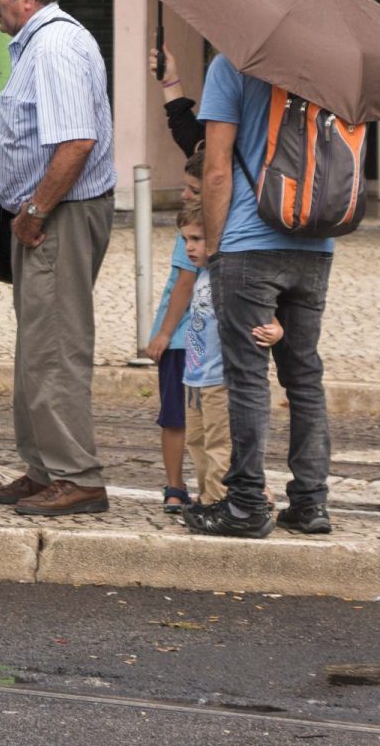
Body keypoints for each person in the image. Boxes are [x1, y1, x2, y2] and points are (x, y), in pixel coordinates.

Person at [0, 0, 116, 518]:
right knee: (38, 345)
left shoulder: (54, 45)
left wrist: (34, 210)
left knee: (55, 346)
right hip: (48, 213)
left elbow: (76, 141)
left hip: (60, 215)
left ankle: (78, 477)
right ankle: (44, 469)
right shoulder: (44, 42)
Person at [189, 51, 336, 539]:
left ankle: (247, 504)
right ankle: (311, 504)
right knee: (304, 376)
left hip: (250, 243)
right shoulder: (330, 66)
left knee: (248, 377)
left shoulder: (233, 66)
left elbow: (215, 169)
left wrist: (213, 245)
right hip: (317, 241)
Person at [145, 150, 206, 513]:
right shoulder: (196, 225)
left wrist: (164, 334)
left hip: (183, 339)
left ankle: (175, 486)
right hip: (197, 341)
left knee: (176, 418)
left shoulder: (195, 230)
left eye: (192, 189)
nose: (185, 195)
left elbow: (184, 282)